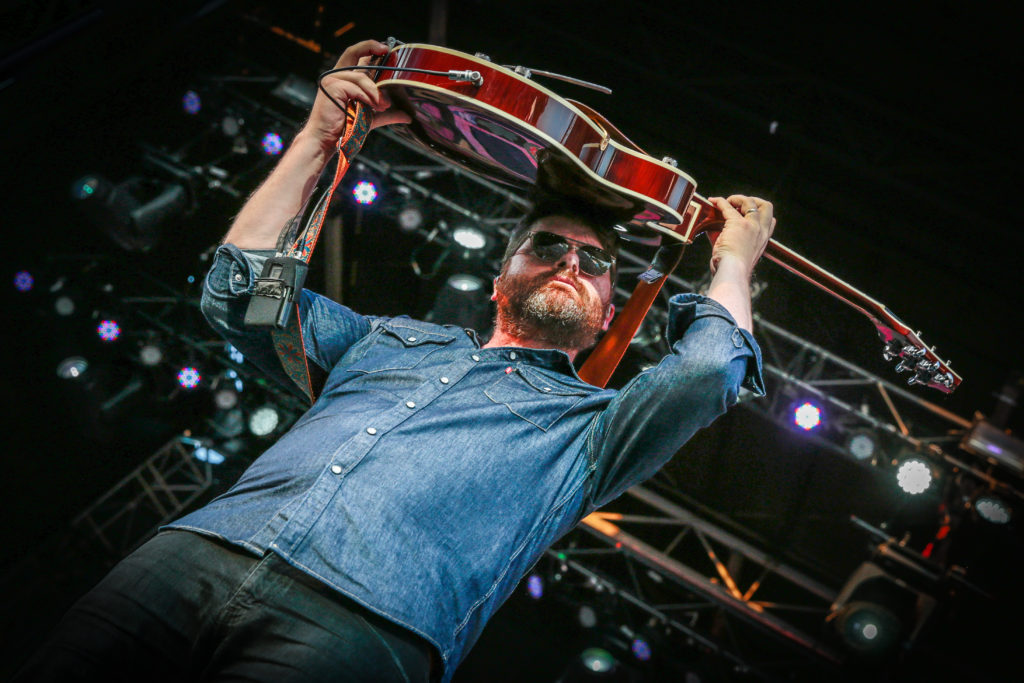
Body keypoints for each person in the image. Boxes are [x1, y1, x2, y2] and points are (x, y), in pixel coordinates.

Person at [14, 39, 773, 683]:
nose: (571, 261)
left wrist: (733, 262)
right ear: (504, 278)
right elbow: (239, 295)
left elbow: (708, 371)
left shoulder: (595, 429)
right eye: (548, 245)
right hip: (197, 552)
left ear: (610, 314)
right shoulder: (389, 340)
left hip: (365, 628)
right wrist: (317, 137)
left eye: (595, 260)